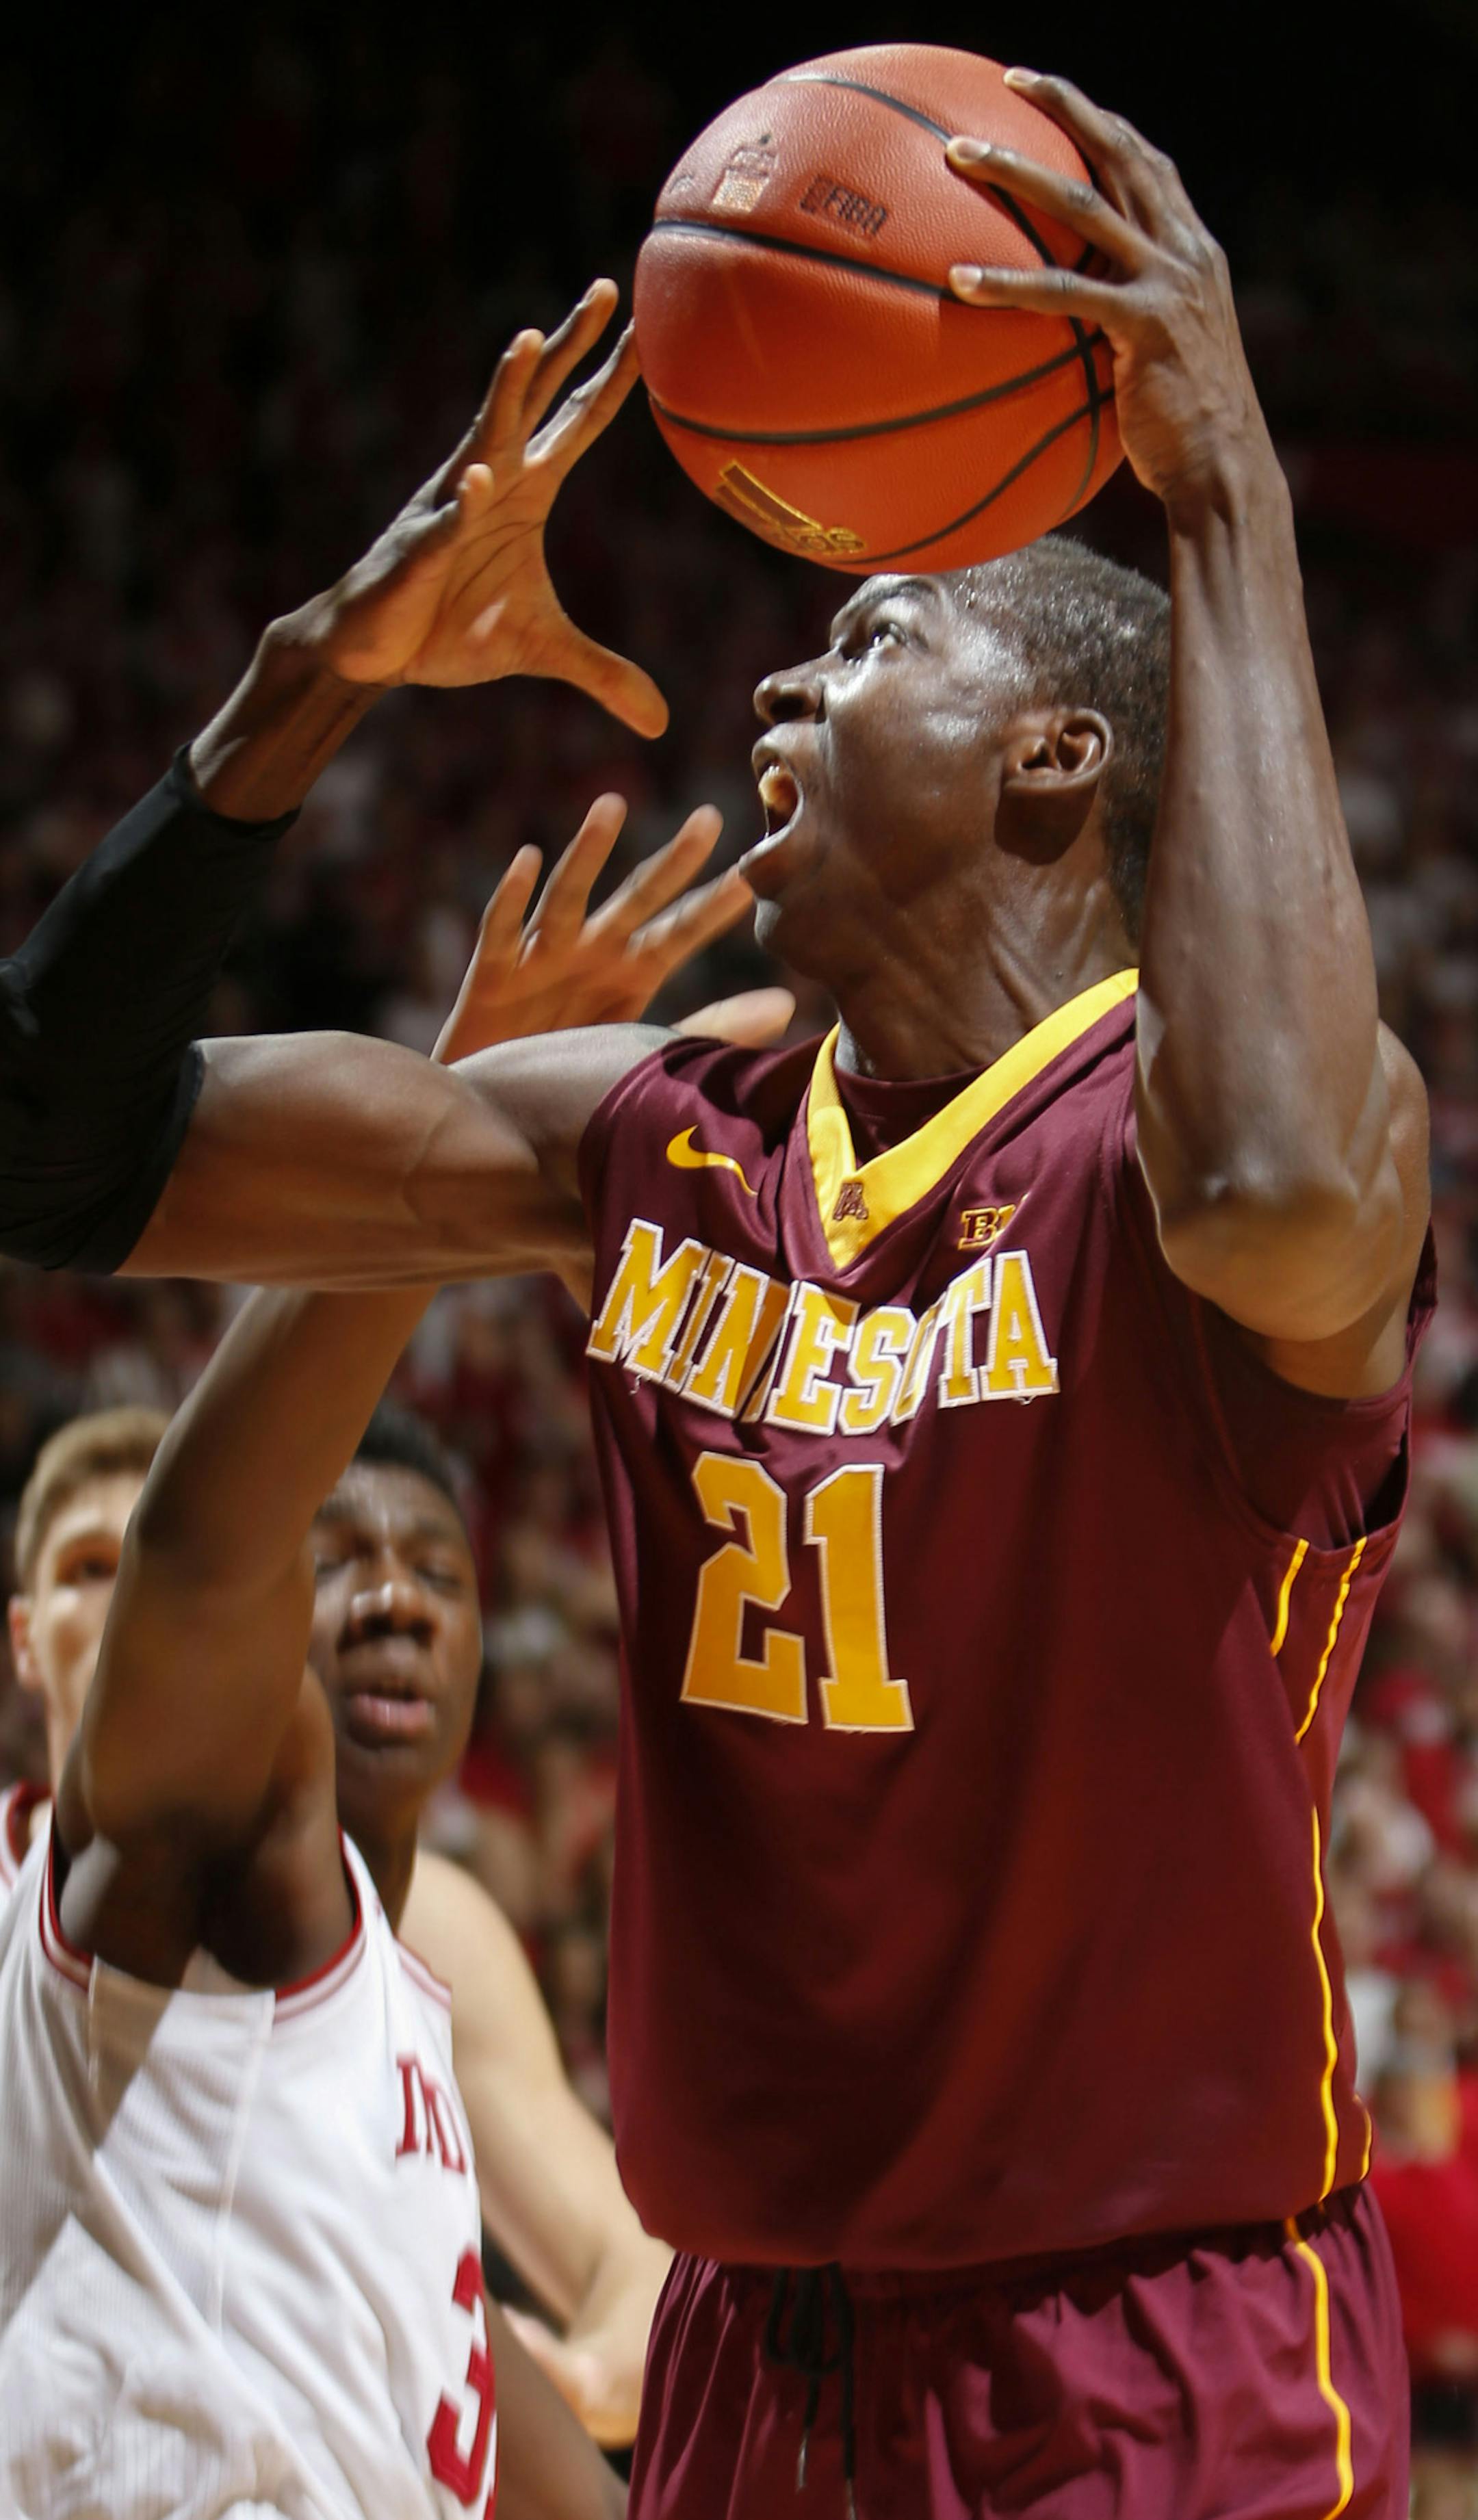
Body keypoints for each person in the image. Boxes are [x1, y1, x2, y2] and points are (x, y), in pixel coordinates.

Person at [31, 70, 1437, 2518]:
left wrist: (1228, 493)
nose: (782, 686)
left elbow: (1294, 1181)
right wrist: (311, 686)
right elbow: (54, 1157)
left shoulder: (1205, 1142)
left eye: (873, 638)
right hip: (747, 2358)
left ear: (1055, 761)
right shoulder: (646, 1140)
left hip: (1150, 2345)